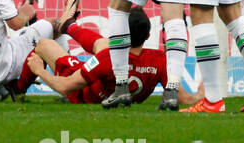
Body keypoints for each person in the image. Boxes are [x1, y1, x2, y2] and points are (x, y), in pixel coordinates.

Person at [27, 7, 201, 107]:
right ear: (148, 36)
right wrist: (204, 93)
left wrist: (39, 71)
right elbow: (184, 98)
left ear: (121, 32)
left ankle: (13, 89)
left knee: (44, 44)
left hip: (81, 95)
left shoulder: (107, 57)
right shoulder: (160, 60)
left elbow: (65, 86)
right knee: (103, 44)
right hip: (124, 85)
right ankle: (70, 26)